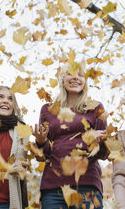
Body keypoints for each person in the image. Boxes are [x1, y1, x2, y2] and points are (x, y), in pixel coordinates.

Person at [33, 63, 108, 209]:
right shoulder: (48, 110)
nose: (75, 78)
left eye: (80, 75)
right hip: (53, 186)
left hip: (87, 185)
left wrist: (99, 142)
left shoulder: (95, 108)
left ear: (85, 82)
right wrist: (41, 141)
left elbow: (104, 153)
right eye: (70, 74)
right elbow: (45, 153)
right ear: (62, 80)